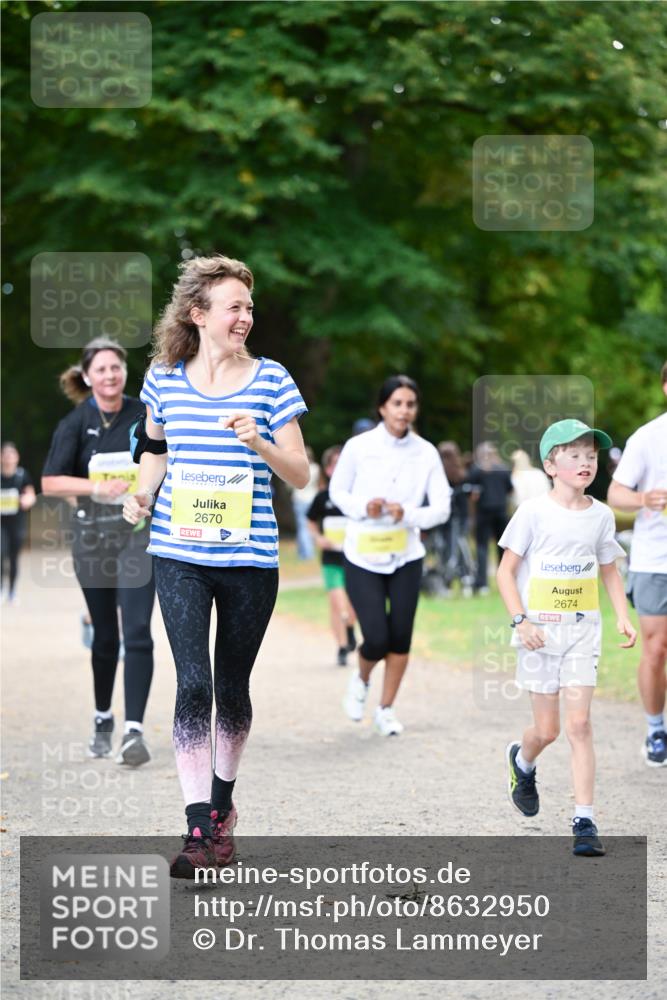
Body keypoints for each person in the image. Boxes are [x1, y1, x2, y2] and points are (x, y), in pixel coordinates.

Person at [122, 254, 309, 878]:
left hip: (250, 559)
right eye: (235, 307)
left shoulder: (272, 381)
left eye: (250, 308)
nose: (246, 318)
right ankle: (198, 825)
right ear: (198, 314)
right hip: (179, 552)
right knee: (194, 684)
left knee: (231, 689)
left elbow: (300, 473)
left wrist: (258, 440)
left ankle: (223, 808)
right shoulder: (164, 378)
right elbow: (155, 446)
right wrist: (142, 491)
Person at [497, 420, 637, 857]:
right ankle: (523, 759)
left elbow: (608, 568)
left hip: (583, 631)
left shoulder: (601, 515)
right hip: (539, 634)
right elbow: (505, 572)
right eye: (574, 455)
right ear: (550, 464)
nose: (585, 463)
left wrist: (622, 616)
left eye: (591, 456)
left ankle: (585, 820)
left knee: (579, 725)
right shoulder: (534, 513)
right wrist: (521, 621)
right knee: (548, 729)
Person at [41, 338, 156, 767]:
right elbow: (51, 482)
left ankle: (134, 732)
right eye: (102, 369)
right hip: (92, 541)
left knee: (139, 631)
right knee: (107, 637)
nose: (111, 375)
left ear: (125, 372)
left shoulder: (142, 414)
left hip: (137, 536)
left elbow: (162, 460)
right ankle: (104, 717)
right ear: (88, 377)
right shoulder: (76, 422)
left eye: (117, 367)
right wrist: (95, 488)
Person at [330, 375, 451, 736]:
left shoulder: (426, 452)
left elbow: (442, 507)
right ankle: (363, 678)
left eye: (410, 404)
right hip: (363, 553)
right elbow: (338, 491)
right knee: (377, 637)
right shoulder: (358, 446)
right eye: (397, 403)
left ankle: (385, 709)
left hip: (406, 554)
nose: (404, 410)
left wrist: (409, 514)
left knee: (400, 637)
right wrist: (364, 507)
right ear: (383, 407)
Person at [607, 362, 667, 766]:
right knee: (657, 648)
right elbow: (615, 493)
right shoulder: (647, 438)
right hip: (655, 559)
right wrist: (644, 499)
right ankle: (655, 729)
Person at [306, 445, 358, 666]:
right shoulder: (322, 498)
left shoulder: (356, 496)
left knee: (352, 605)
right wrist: (318, 538)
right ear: (327, 469)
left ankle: (349, 627)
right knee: (337, 603)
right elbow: (310, 521)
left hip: (355, 559)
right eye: (334, 464)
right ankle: (342, 646)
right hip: (331, 560)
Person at [469, 442, 513, 595]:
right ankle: (505, 581)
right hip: (501, 511)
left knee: (482, 547)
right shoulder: (503, 469)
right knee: (502, 547)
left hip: (484, 512)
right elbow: (510, 489)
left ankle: (482, 584)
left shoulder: (477, 469)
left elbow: (472, 492)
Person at [1, 442, 36, 603]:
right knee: (1, 553)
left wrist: (27, 500)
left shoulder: (22, 476)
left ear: (17, 457)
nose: (8, 459)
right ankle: (1, 588)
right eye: (5, 455)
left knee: (14, 557)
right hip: (1, 523)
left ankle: (12, 590)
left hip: (16, 522)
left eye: (11, 455)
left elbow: (31, 495)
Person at [290, 446, 320, 559]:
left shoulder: (297, 469)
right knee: (308, 525)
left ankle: (308, 553)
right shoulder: (316, 468)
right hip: (312, 498)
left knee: (302, 526)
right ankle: (302, 552)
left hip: (300, 498)